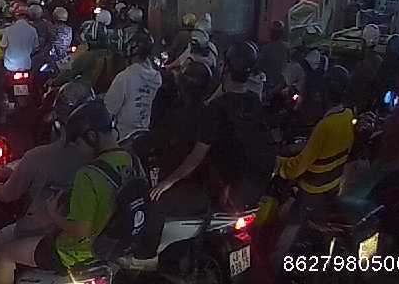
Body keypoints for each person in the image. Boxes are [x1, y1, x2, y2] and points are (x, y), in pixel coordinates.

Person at [138, 42, 274, 265]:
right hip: (253, 192)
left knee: (156, 200)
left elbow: (196, 157)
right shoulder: (253, 101)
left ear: (225, 68)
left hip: (222, 193)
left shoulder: (215, 110)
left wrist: (167, 183)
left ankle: (145, 257)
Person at [0, 100, 136, 284]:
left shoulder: (89, 174)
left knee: (5, 254)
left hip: (76, 252)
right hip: (113, 247)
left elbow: (81, 230)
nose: (77, 150)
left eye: (77, 143)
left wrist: (54, 214)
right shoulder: (130, 159)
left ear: (92, 136)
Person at [0, 84, 96, 283]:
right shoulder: (107, 156)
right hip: (89, 240)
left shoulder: (38, 157)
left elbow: (7, 195)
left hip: (43, 233)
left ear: (57, 121)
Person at [271, 66, 356, 262]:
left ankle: (275, 266)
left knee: (286, 234)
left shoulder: (325, 125)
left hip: (312, 191)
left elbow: (298, 167)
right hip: (332, 185)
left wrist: (277, 164)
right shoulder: (347, 115)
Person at [105, 35, 162, 143]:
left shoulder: (124, 77)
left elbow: (109, 109)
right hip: (145, 134)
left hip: (123, 136)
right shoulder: (157, 78)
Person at [54, 10, 119, 93]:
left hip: (85, 91)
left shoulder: (88, 56)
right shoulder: (111, 53)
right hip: (104, 91)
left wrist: (54, 82)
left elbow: (69, 72)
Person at [1, 1, 39, 74]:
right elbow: (36, 47)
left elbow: (3, 46)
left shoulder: (8, 30)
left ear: (15, 16)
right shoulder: (33, 30)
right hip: (26, 65)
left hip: (10, 66)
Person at [257, 20, 291, 96]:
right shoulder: (288, 47)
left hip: (270, 86)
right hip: (284, 84)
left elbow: (259, 66)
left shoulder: (266, 49)